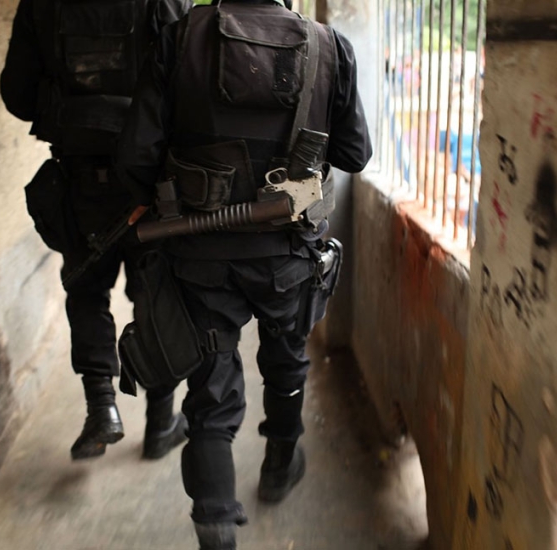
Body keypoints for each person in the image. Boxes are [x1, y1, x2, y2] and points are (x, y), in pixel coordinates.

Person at [115, 0, 372, 547]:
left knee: (210, 389)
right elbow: (354, 154)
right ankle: (281, 463)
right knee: (286, 358)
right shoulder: (328, 47)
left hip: (199, 253)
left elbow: (136, 156)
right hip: (287, 254)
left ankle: (213, 521)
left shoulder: (179, 38)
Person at [0, 0, 192, 461]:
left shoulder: (40, 7)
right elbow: (188, 84)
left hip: (81, 181)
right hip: (148, 183)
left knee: (86, 290)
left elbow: (17, 97)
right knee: (157, 298)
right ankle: (162, 421)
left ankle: (101, 407)